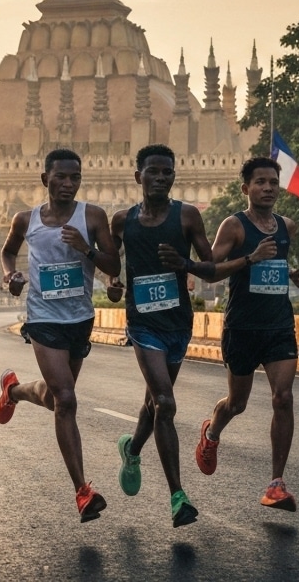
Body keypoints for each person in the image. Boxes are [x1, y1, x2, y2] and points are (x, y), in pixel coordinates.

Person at [0, 149, 119, 522]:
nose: (68, 184)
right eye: (61, 177)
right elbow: (7, 253)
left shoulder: (92, 216)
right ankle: (83, 490)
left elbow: (113, 265)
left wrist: (87, 249)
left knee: (53, 397)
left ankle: (14, 391)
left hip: (79, 317)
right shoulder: (26, 220)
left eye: (75, 177)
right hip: (43, 317)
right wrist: (11, 276)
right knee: (66, 398)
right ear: (45, 179)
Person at [103, 144, 221, 527]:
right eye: (152, 171)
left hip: (177, 324)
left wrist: (184, 264)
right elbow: (112, 263)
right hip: (143, 324)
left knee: (155, 403)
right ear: (138, 176)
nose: (160, 178)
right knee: (166, 403)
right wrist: (114, 282)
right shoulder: (122, 221)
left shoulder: (187, 217)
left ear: (174, 177)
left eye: (167, 172)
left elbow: (212, 267)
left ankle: (132, 448)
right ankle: (178, 497)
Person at [193, 156, 299, 511]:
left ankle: (276, 484)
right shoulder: (234, 226)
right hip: (242, 327)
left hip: (278, 327)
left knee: (283, 398)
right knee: (237, 404)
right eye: (260, 182)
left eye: (273, 182)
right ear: (246, 188)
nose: (268, 188)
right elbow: (210, 271)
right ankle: (212, 433)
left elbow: (279, 261)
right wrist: (251, 259)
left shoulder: (287, 226)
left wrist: (293, 275)